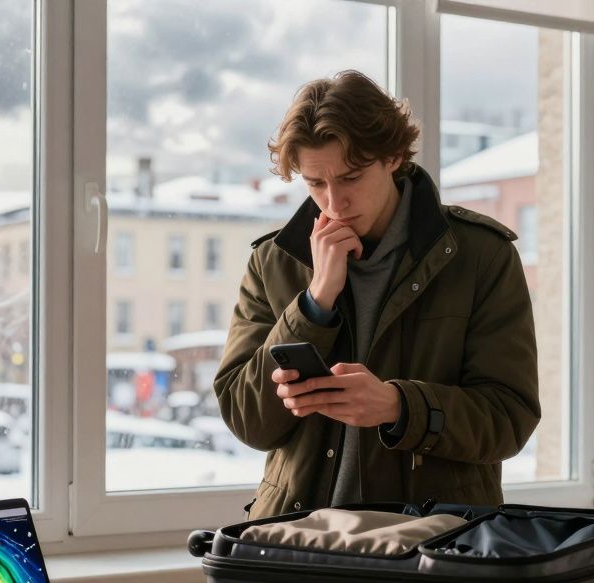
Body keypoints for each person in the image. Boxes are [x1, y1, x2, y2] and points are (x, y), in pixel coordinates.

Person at [214, 70, 540, 518]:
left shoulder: (481, 255)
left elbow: (509, 418)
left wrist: (398, 406)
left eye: (350, 178)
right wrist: (315, 300)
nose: (334, 202)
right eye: (315, 183)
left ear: (392, 156)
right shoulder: (273, 262)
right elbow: (246, 419)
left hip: (435, 546)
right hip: (299, 546)